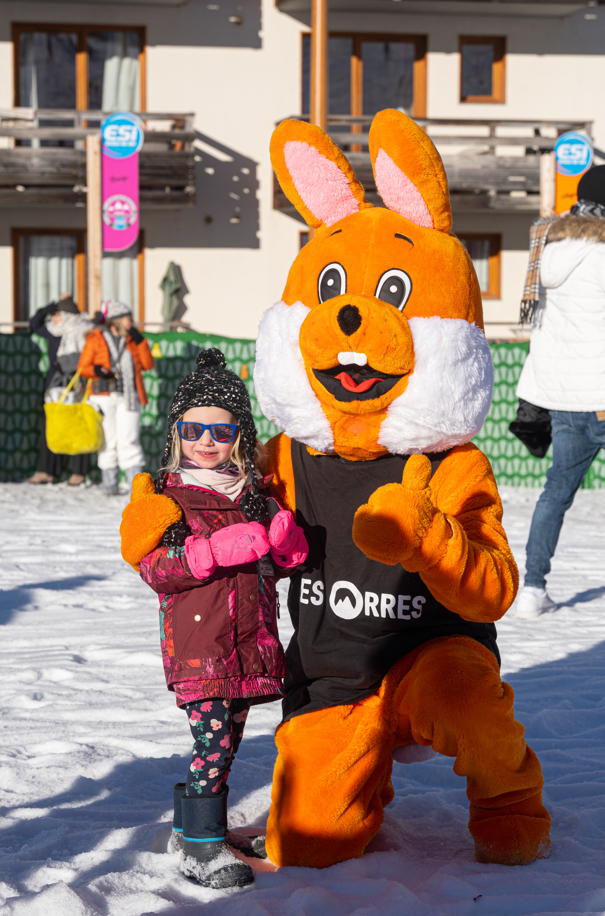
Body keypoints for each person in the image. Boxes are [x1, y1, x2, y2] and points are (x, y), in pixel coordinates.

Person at [127, 348, 307, 888]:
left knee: (227, 738)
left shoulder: (255, 494)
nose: (206, 441)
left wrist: (280, 532)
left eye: (221, 432)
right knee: (214, 742)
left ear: (241, 439)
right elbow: (155, 568)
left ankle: (196, 828)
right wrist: (208, 552)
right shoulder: (166, 498)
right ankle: (201, 845)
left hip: (248, 642)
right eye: (194, 429)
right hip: (200, 646)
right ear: (176, 432)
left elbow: (291, 559)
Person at [514, 165, 605, 619]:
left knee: (555, 494)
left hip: (566, 399)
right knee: (556, 494)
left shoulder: (546, 251)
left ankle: (532, 588)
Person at [78, 300, 154, 495]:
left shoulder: (133, 341)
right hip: (103, 396)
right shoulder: (96, 338)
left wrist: (141, 341)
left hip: (129, 396)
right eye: (128, 317)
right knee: (108, 441)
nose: (131, 321)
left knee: (129, 440)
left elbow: (148, 365)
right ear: (116, 320)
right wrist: (96, 369)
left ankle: (136, 489)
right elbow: (82, 368)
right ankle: (109, 486)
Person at [27, 293, 93, 486]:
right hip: (55, 386)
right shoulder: (54, 330)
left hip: (78, 384)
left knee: (78, 426)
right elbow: (35, 323)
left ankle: (79, 473)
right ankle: (47, 471)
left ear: (67, 314)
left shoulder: (83, 331)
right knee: (51, 426)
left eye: (57, 314)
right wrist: (51, 306)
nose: (53, 318)